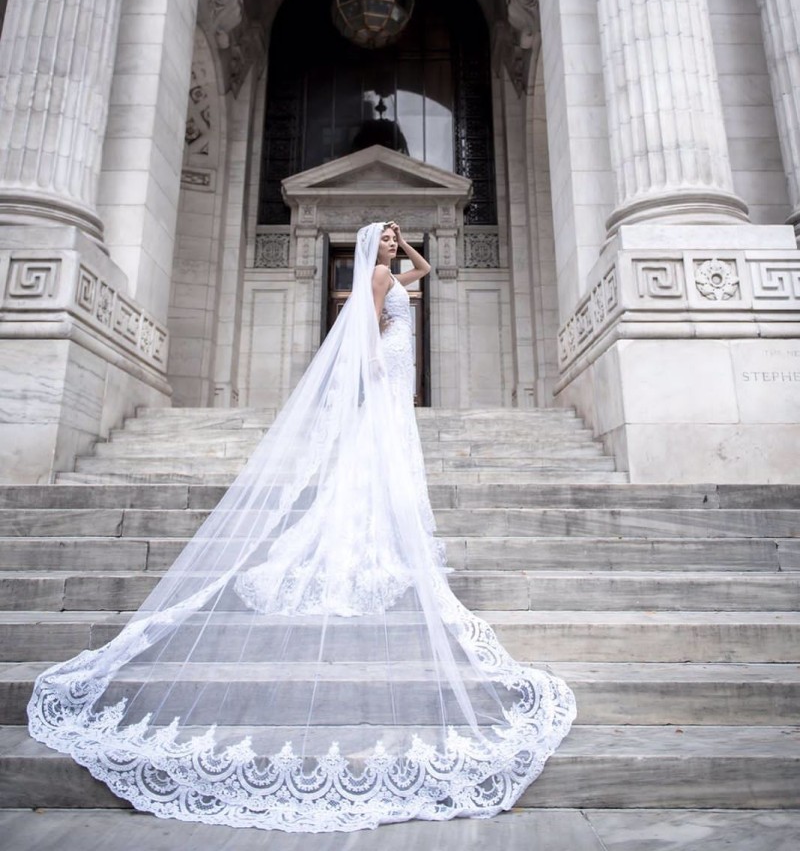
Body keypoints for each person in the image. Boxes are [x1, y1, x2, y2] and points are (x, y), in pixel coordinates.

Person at [28, 221, 575, 832]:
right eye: (388, 239)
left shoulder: (393, 270)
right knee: (383, 445)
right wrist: (373, 359)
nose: (396, 248)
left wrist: (402, 247)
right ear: (374, 250)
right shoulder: (372, 276)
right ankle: (370, 537)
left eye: (397, 240)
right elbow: (370, 322)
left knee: (393, 447)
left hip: (400, 358)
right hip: (388, 360)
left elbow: (424, 275)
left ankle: (387, 531)